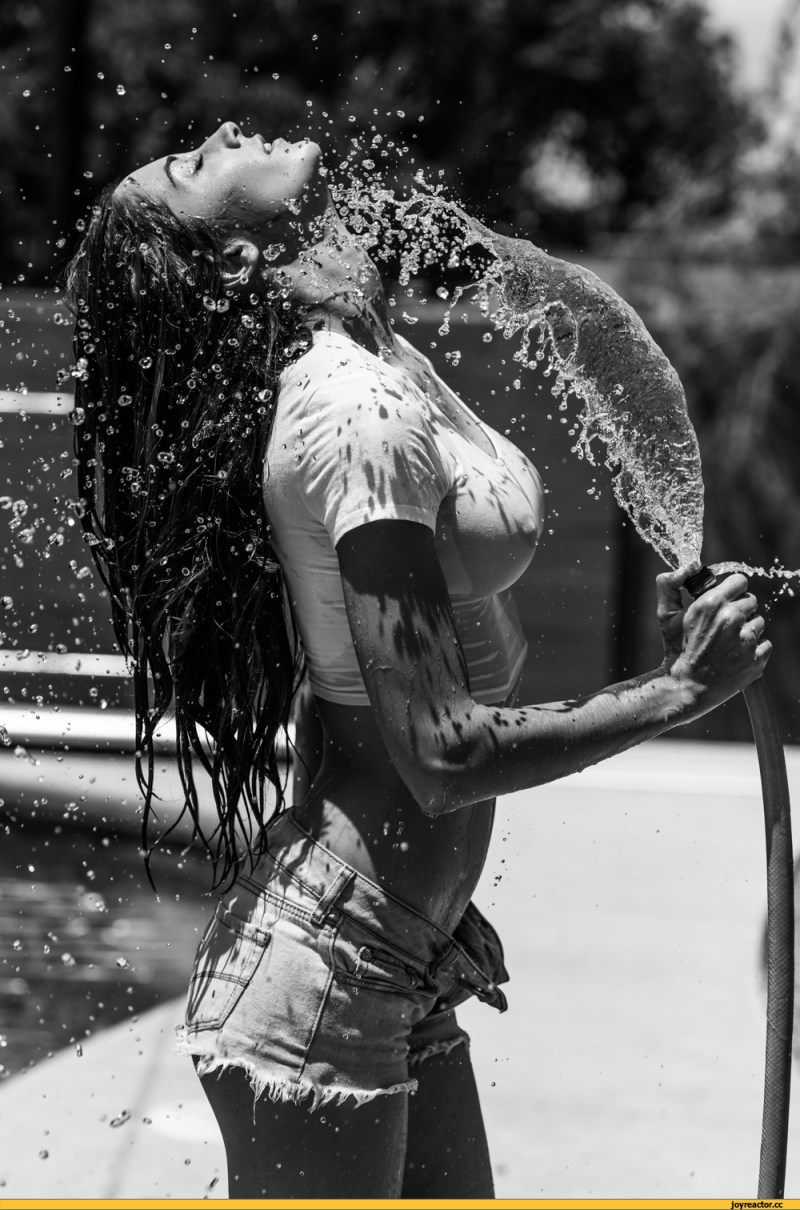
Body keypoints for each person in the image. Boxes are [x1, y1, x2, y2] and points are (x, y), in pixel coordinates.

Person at [64, 121, 771, 1198]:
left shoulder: (367, 356)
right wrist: (679, 690)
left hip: (395, 949)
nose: (214, 132)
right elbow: (440, 751)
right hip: (326, 971)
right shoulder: (354, 413)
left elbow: (341, 687)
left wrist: (414, 893)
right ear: (236, 260)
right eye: (196, 168)